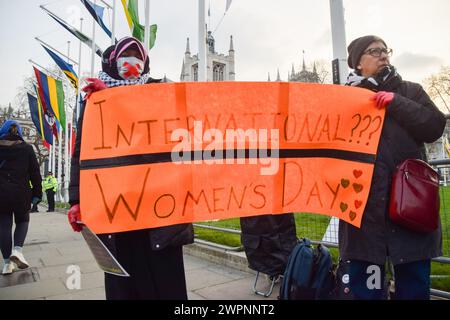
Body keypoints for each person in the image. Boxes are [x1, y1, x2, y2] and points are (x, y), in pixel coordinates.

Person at [67, 37, 194, 300]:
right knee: (125, 287)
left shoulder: (162, 91)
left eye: (138, 56)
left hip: (161, 210)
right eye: (127, 55)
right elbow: (82, 152)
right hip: (117, 210)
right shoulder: (95, 100)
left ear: (146, 63)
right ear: (113, 62)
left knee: (165, 285)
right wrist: (77, 199)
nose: (133, 62)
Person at [339, 35, 446, 300]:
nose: (383, 55)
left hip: (410, 207)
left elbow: (434, 126)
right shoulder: (343, 99)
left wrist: (396, 103)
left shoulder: (411, 91)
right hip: (362, 210)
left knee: (414, 287)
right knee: (365, 289)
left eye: (385, 50)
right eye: (374, 51)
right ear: (358, 63)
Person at [0, 120, 42, 275]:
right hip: (21, 193)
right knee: (23, 220)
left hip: (1, 195)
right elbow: (35, 173)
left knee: (4, 226)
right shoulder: (27, 149)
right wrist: (37, 193)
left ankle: (6, 264)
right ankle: (17, 250)